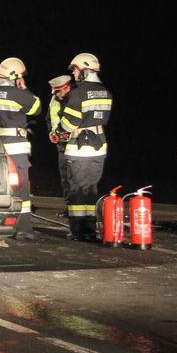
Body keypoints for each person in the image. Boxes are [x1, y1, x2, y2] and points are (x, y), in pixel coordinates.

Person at [0, 58, 42, 237]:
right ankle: (22, 228)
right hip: (15, 147)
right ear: (15, 76)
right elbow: (36, 108)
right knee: (20, 188)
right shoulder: (18, 94)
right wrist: (24, 88)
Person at [60, 53, 113, 241]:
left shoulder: (78, 93)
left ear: (84, 70)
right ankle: (89, 230)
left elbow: (69, 123)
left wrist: (59, 130)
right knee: (91, 189)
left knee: (76, 190)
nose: (74, 74)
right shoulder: (105, 92)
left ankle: (77, 231)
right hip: (99, 145)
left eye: (75, 70)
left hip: (79, 147)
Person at [46, 74, 74, 213]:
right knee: (65, 178)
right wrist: (52, 133)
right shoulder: (54, 100)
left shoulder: (76, 98)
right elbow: (49, 118)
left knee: (77, 177)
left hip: (77, 144)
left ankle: (79, 211)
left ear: (67, 88)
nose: (56, 94)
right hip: (62, 144)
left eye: (58, 91)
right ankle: (69, 208)